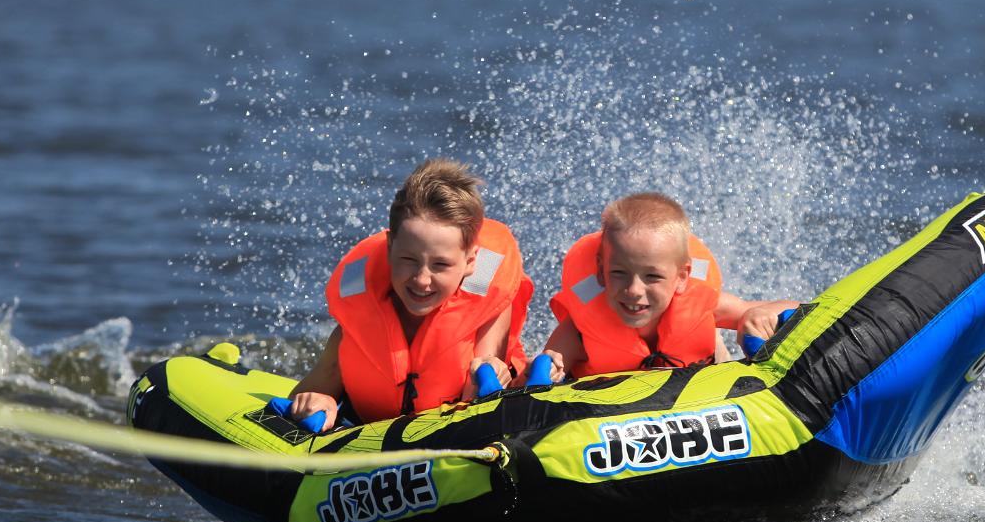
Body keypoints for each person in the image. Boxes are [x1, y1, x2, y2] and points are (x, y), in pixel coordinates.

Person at [286, 159, 532, 427]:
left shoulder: (488, 305)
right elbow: (308, 392)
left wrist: (492, 375)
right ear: (390, 246)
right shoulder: (362, 309)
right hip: (363, 427)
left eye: (441, 265)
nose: (422, 280)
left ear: (470, 262)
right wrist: (317, 401)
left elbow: (485, 400)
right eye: (408, 259)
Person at [533, 192, 796, 381]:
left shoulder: (705, 306)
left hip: (701, 390)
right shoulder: (578, 331)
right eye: (619, 273)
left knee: (714, 335)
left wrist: (758, 316)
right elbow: (546, 369)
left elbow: (799, 307)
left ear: (682, 277)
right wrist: (551, 367)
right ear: (601, 272)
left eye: (652, 277)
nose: (634, 289)